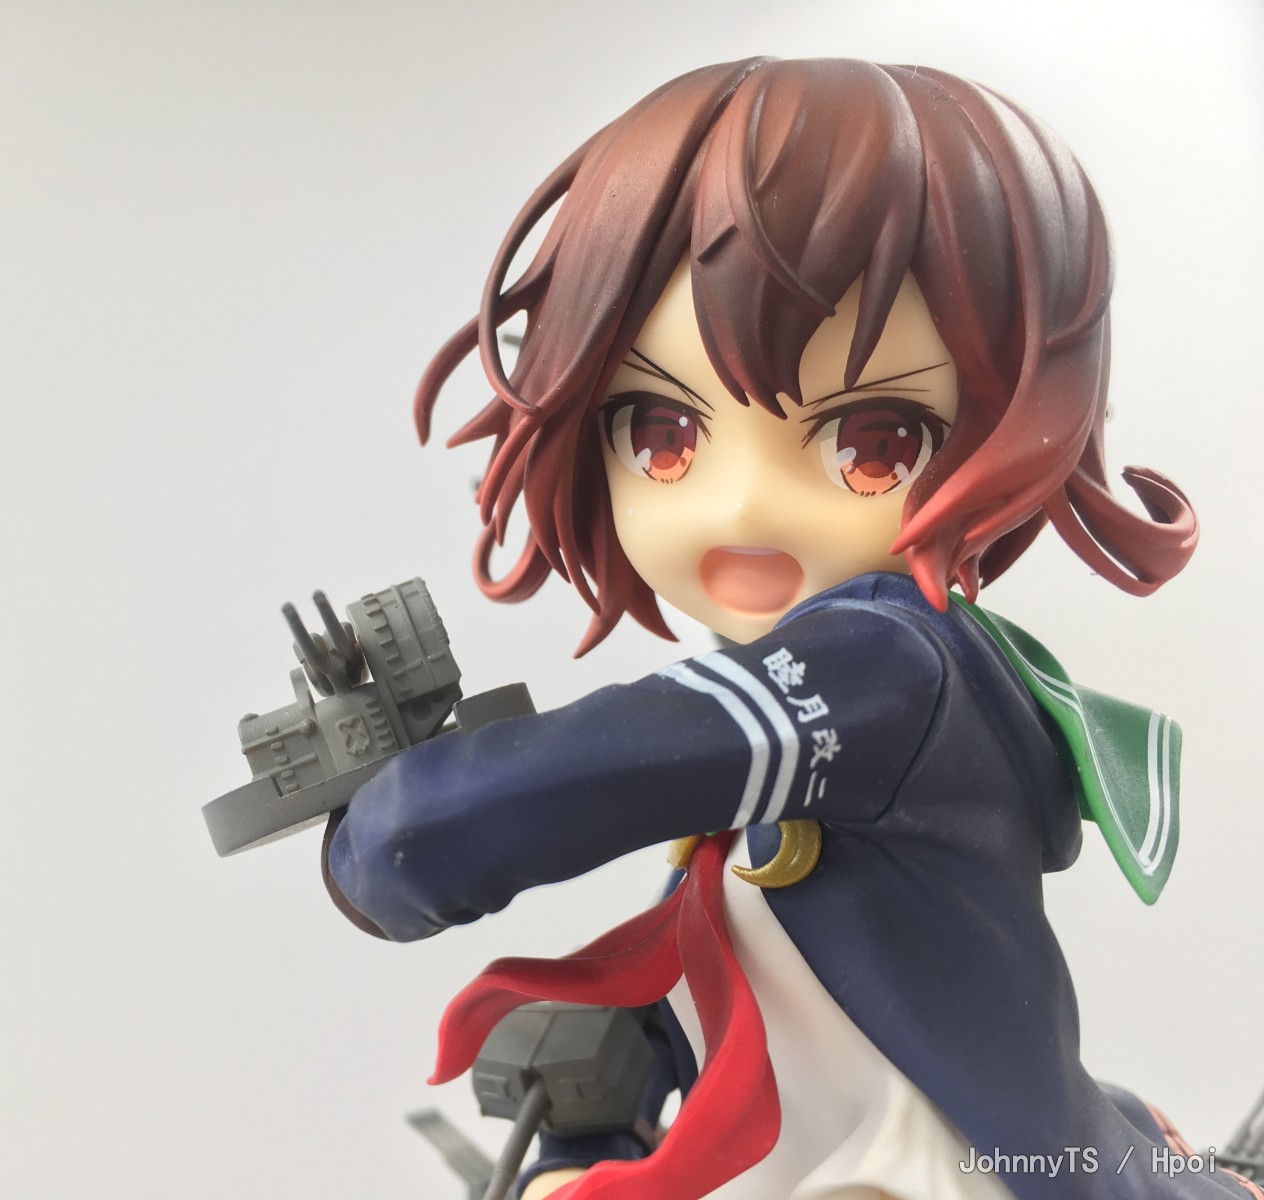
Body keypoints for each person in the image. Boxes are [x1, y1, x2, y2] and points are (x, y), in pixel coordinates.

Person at [324, 58, 1255, 1199]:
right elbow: (726, 950)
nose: (743, 509)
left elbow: (588, 775)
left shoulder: (884, 667)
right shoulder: (789, 732)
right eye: (663, 436)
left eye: (872, 444)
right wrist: (604, 1115)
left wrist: (397, 835)